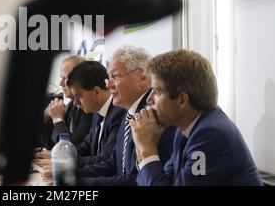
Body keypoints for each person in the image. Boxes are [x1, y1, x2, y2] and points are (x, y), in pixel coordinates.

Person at [131, 49, 263, 186]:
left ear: (182, 100)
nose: (149, 99)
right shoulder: (185, 129)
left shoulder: (211, 135)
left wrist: (146, 148)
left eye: (156, 91)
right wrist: (143, 148)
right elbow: (165, 181)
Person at [77, 46, 175, 185]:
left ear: (141, 76)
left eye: (115, 77)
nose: (109, 85)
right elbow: (113, 164)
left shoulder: (153, 116)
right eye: (108, 79)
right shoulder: (128, 113)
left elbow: (135, 181)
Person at [39, 55, 93, 150]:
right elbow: (51, 146)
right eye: (61, 78)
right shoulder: (71, 106)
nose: (60, 84)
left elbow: (70, 148)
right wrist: (47, 117)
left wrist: (58, 119)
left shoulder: (90, 109)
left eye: (65, 78)